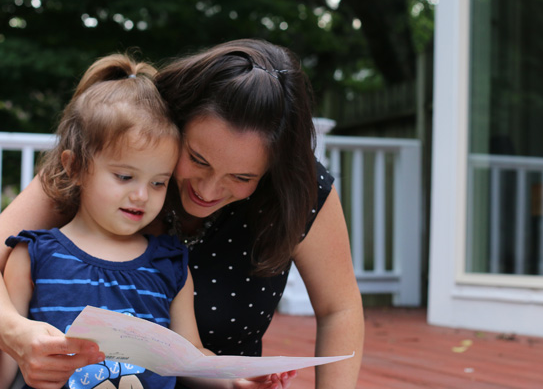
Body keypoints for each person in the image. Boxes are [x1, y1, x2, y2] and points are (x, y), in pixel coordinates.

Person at [0, 39, 364, 388]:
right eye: (198, 159)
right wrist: (15, 334)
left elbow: (339, 308)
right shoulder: (124, 138)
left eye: (241, 177)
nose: (207, 191)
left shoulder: (296, 188)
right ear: (174, 124)